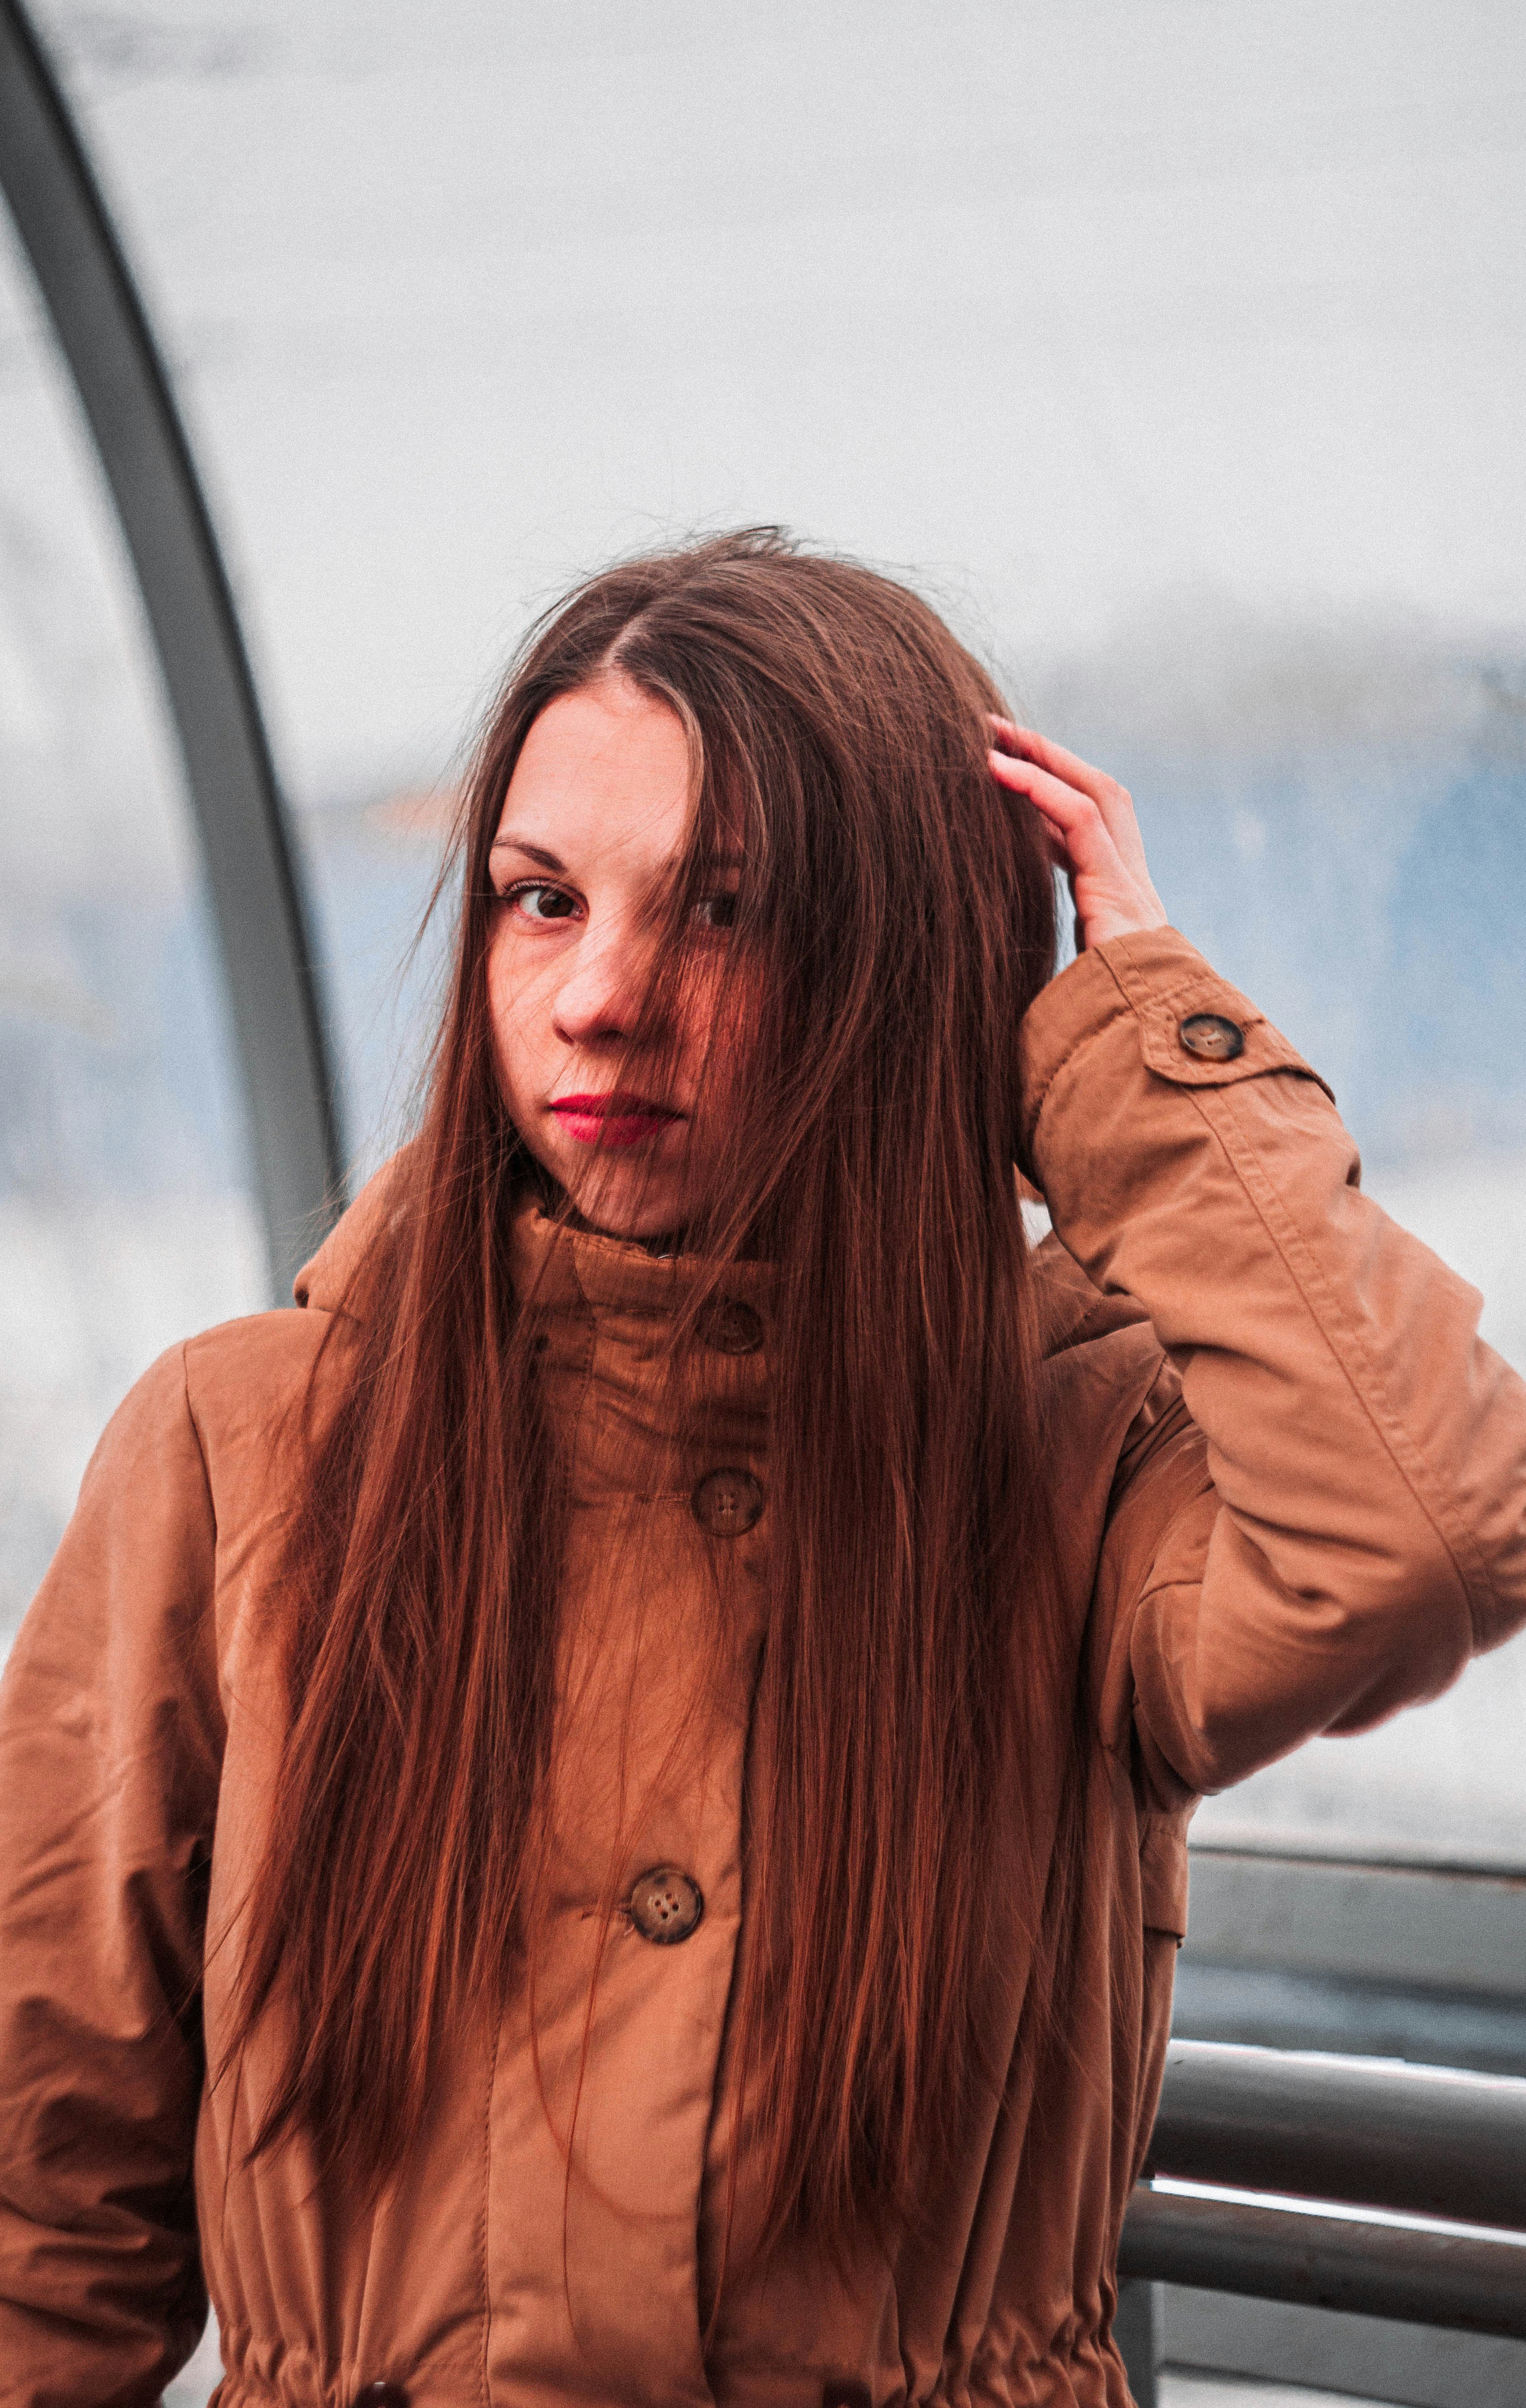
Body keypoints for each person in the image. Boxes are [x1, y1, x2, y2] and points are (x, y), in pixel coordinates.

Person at [0, 531, 1522, 2408]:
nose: (600, 996)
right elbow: (41, 2210)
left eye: (721, 911)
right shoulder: (247, 1443)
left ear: (907, 963)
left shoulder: (1079, 1444)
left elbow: (1427, 1528)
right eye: (541, 900)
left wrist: (1139, 1039)